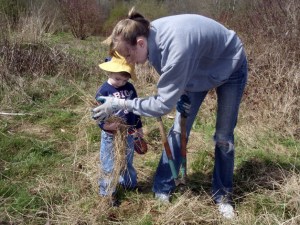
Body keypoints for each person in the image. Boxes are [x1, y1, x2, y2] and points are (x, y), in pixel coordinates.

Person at [92, 8, 248, 219]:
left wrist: (120, 104)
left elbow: (161, 105)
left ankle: (222, 197)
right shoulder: (149, 36)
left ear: (140, 43)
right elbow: (173, 78)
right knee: (179, 129)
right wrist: (181, 90)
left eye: (129, 56)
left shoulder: (175, 48)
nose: (130, 64)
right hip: (197, 69)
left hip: (230, 65)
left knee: (223, 136)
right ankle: (163, 188)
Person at [95, 53, 144, 206]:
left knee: (127, 160)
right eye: (117, 79)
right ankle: (108, 193)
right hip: (111, 134)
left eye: (125, 79)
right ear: (109, 73)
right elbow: (96, 114)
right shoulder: (103, 91)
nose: (121, 83)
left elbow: (135, 109)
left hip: (128, 132)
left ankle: (129, 184)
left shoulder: (129, 88)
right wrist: (106, 126)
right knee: (109, 164)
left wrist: (139, 128)